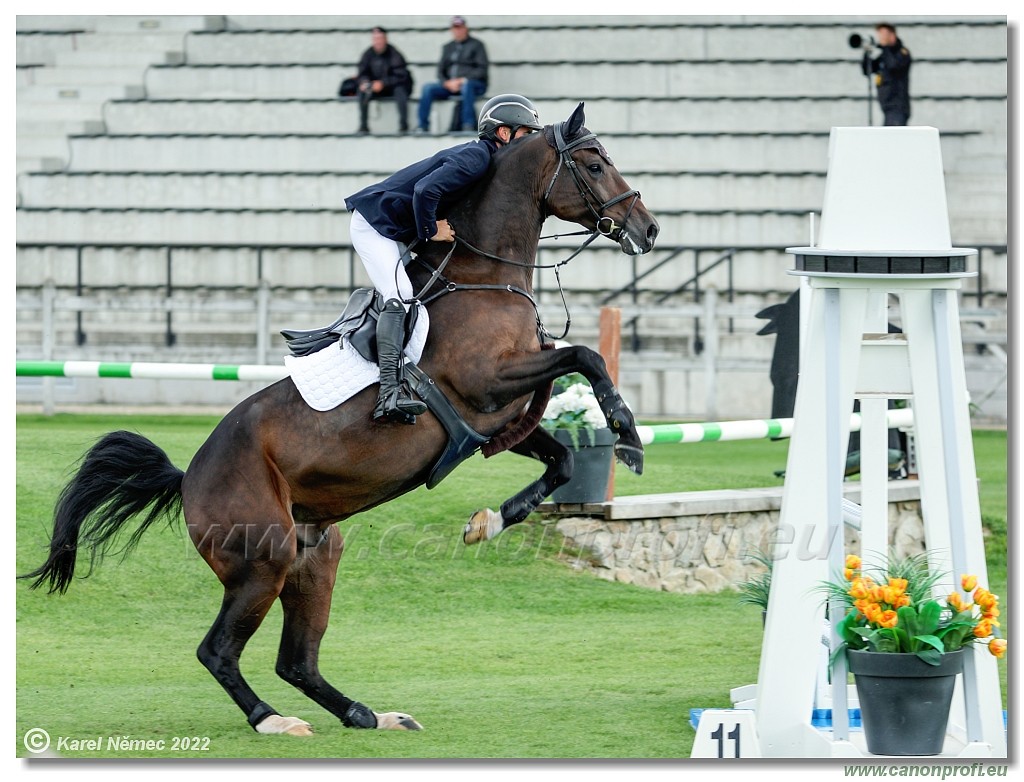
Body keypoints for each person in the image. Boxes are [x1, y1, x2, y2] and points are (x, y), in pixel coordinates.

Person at [344, 94, 543, 423]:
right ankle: (388, 394)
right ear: (504, 133)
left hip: (392, 226)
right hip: (373, 225)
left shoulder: (486, 161)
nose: (529, 142)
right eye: (526, 134)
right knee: (401, 297)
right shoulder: (477, 157)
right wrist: (429, 231)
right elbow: (425, 191)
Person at [415, 16, 489, 134]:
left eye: (460, 28)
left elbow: (481, 69)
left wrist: (462, 80)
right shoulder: (447, 47)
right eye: (455, 28)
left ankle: (468, 124)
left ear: (465, 28)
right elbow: (440, 72)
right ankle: (422, 125)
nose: (457, 31)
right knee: (427, 88)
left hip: (473, 84)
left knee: (467, 86)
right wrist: (446, 83)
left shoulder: (477, 45)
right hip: (450, 86)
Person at [353, 26, 413, 134]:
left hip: (392, 87)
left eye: (380, 38)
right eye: (375, 39)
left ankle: (404, 125)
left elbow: (401, 76)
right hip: (374, 88)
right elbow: (362, 73)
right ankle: (363, 126)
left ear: (385, 39)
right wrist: (365, 82)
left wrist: (383, 83)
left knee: (400, 91)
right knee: (362, 91)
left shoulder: (395, 54)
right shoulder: (367, 54)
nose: (378, 42)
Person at [861, 22, 912, 126]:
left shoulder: (902, 53)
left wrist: (885, 47)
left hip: (898, 107)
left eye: (883, 34)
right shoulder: (883, 54)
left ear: (892, 35)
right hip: (886, 107)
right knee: (888, 138)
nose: (880, 38)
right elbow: (867, 70)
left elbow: (893, 66)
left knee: (893, 139)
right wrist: (867, 52)